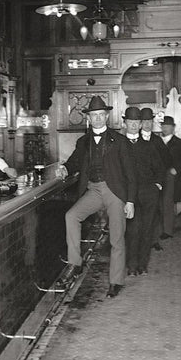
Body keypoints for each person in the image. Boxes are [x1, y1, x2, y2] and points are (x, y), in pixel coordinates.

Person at [56, 96, 136, 298]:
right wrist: (64, 168)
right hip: (93, 189)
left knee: (116, 238)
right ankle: (75, 263)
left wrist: (131, 201)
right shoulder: (83, 141)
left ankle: (116, 281)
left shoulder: (119, 141)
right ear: (89, 118)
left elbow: (130, 173)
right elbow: (73, 162)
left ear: (107, 116)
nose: (98, 119)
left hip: (115, 191)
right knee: (71, 216)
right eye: (94, 115)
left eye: (101, 115)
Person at [122, 107, 164, 275]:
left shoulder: (148, 146)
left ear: (141, 125)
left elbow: (160, 168)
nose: (133, 125)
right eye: (130, 122)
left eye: (136, 122)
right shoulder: (119, 144)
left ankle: (142, 264)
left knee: (147, 229)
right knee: (132, 230)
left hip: (148, 193)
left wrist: (157, 185)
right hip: (128, 195)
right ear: (125, 123)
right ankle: (131, 266)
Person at [137, 107, 170, 252]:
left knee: (155, 212)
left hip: (154, 184)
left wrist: (159, 182)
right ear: (140, 122)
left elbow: (166, 161)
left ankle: (153, 240)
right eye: (144, 121)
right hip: (137, 184)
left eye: (150, 121)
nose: (147, 124)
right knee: (138, 214)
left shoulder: (157, 141)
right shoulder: (133, 139)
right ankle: (139, 240)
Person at [156, 115, 181, 240]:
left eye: (168, 126)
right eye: (163, 125)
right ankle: (162, 228)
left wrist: (176, 169)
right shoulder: (158, 141)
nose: (165, 128)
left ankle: (168, 230)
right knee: (159, 203)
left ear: (173, 127)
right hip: (158, 176)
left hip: (170, 178)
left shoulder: (179, 143)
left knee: (167, 203)